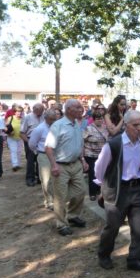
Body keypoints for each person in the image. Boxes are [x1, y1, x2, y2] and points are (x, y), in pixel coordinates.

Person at [94, 110, 140, 272]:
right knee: (113, 227)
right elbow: (99, 167)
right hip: (118, 191)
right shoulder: (114, 144)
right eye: (136, 125)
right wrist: (102, 186)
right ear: (126, 126)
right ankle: (104, 254)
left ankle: (135, 259)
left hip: (138, 190)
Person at [45, 99, 88, 236]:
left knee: (81, 191)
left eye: (81, 108)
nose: (81, 110)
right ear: (69, 109)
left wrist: (83, 160)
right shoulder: (58, 125)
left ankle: (73, 215)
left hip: (75, 164)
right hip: (61, 166)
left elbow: (78, 144)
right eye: (77, 107)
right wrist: (53, 165)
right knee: (60, 196)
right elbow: (48, 147)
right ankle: (61, 224)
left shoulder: (76, 123)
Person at [29, 109, 58, 210]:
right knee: (46, 179)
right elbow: (32, 144)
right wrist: (38, 153)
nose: (53, 121)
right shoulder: (39, 129)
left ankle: (57, 199)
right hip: (43, 155)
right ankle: (49, 201)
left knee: (56, 178)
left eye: (55, 119)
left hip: (56, 155)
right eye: (51, 119)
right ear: (46, 118)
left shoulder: (56, 126)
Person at [83, 111, 110, 201]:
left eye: (101, 118)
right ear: (94, 119)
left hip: (102, 155)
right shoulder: (89, 128)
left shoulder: (106, 128)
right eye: (98, 118)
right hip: (90, 154)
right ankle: (92, 193)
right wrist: (82, 157)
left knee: (102, 173)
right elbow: (82, 141)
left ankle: (99, 190)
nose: (100, 120)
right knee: (93, 174)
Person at [20, 103, 45, 187]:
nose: (41, 112)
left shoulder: (43, 116)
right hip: (30, 140)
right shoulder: (27, 117)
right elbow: (22, 133)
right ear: (34, 110)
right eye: (39, 111)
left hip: (41, 141)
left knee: (40, 160)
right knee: (30, 161)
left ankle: (39, 178)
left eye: (42, 110)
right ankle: (30, 178)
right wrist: (29, 142)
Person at [6, 106, 24, 172]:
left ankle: (18, 164)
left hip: (20, 138)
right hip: (11, 137)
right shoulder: (10, 118)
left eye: (20, 112)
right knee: (14, 151)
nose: (19, 113)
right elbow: (5, 127)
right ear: (14, 112)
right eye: (18, 112)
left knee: (19, 151)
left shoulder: (23, 119)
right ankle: (15, 165)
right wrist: (9, 132)